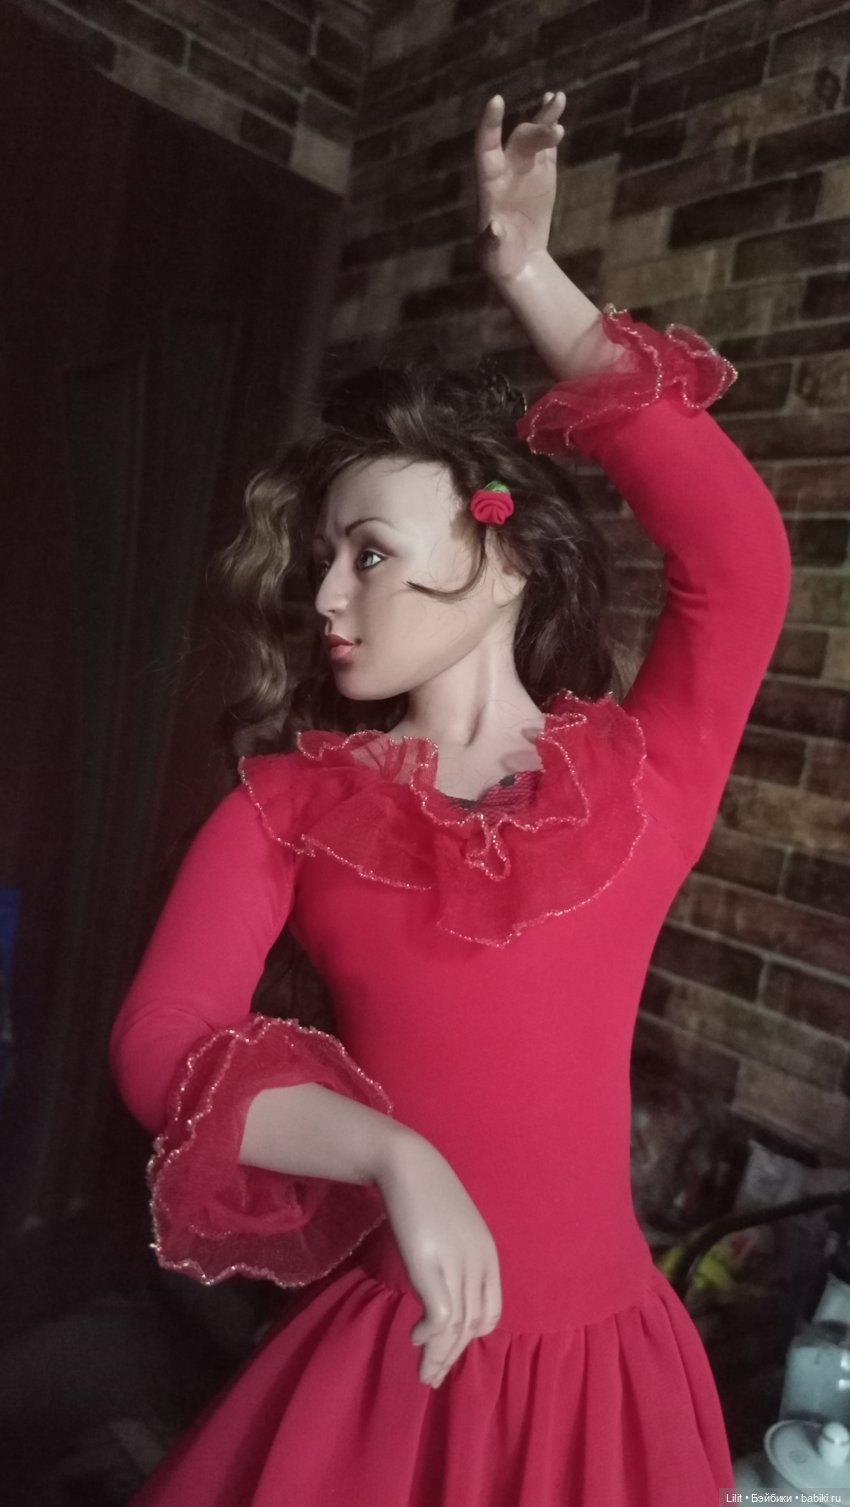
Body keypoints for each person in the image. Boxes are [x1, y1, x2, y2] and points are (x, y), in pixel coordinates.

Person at [109, 88, 792, 1506]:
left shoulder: (644, 777)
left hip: (606, 1387)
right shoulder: (286, 809)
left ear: (506, 555)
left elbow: (739, 557)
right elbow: (158, 1045)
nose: (325, 597)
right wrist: (388, 1152)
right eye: (322, 560)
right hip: (393, 1372)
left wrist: (531, 275)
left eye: (365, 552)